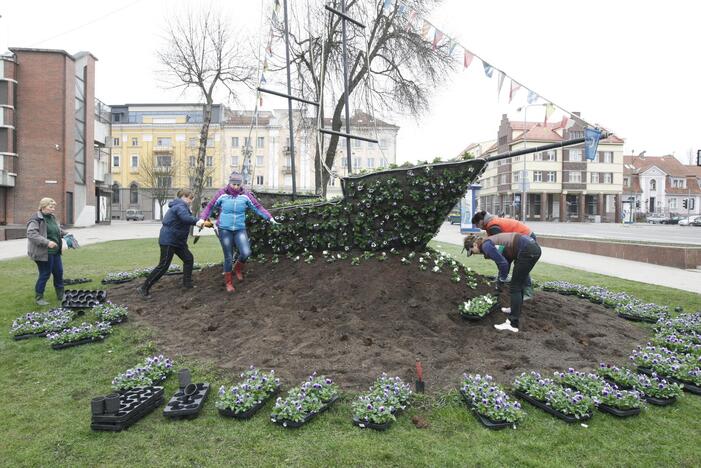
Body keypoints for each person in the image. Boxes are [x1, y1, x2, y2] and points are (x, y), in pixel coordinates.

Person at [208, 172, 277, 293]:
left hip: (239, 228)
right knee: (228, 256)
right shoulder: (222, 194)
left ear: (241, 184)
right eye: (233, 184)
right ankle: (229, 283)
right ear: (229, 183)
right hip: (224, 229)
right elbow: (210, 206)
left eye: (238, 184)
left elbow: (258, 207)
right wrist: (202, 219)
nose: (235, 186)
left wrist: (269, 217)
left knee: (246, 252)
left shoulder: (246, 195)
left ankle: (238, 269)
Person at [137, 189, 211, 298]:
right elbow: (185, 218)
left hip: (177, 241)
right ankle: (143, 288)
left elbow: (184, 221)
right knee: (163, 266)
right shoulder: (179, 206)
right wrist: (198, 221)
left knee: (188, 258)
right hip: (169, 240)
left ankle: (187, 284)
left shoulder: (181, 206)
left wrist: (201, 223)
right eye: (190, 198)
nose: (191, 201)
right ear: (183, 197)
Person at [464, 232, 542, 333]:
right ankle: (514, 309)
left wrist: (500, 281)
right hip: (532, 248)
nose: (475, 254)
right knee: (518, 284)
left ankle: (512, 323)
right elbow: (506, 262)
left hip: (527, 250)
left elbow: (503, 264)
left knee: (515, 287)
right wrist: (500, 282)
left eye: (472, 252)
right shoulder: (490, 242)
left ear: (474, 245)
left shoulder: (486, 246)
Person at [471, 210, 537, 300]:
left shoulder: (492, 226)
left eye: (476, 225)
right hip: (518, 239)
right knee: (506, 260)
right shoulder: (490, 224)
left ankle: (528, 292)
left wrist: (497, 256)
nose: (477, 227)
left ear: (481, 221)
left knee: (520, 266)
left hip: (525, 238)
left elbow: (500, 243)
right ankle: (502, 280)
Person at [27, 198, 70, 305]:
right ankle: (39, 298)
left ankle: (61, 295)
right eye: (51, 207)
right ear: (43, 206)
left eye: (54, 207)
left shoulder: (52, 217)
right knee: (45, 274)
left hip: (55, 252)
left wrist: (66, 234)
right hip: (43, 253)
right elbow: (31, 234)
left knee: (59, 273)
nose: (53, 209)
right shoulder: (36, 219)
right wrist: (47, 242)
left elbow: (56, 230)